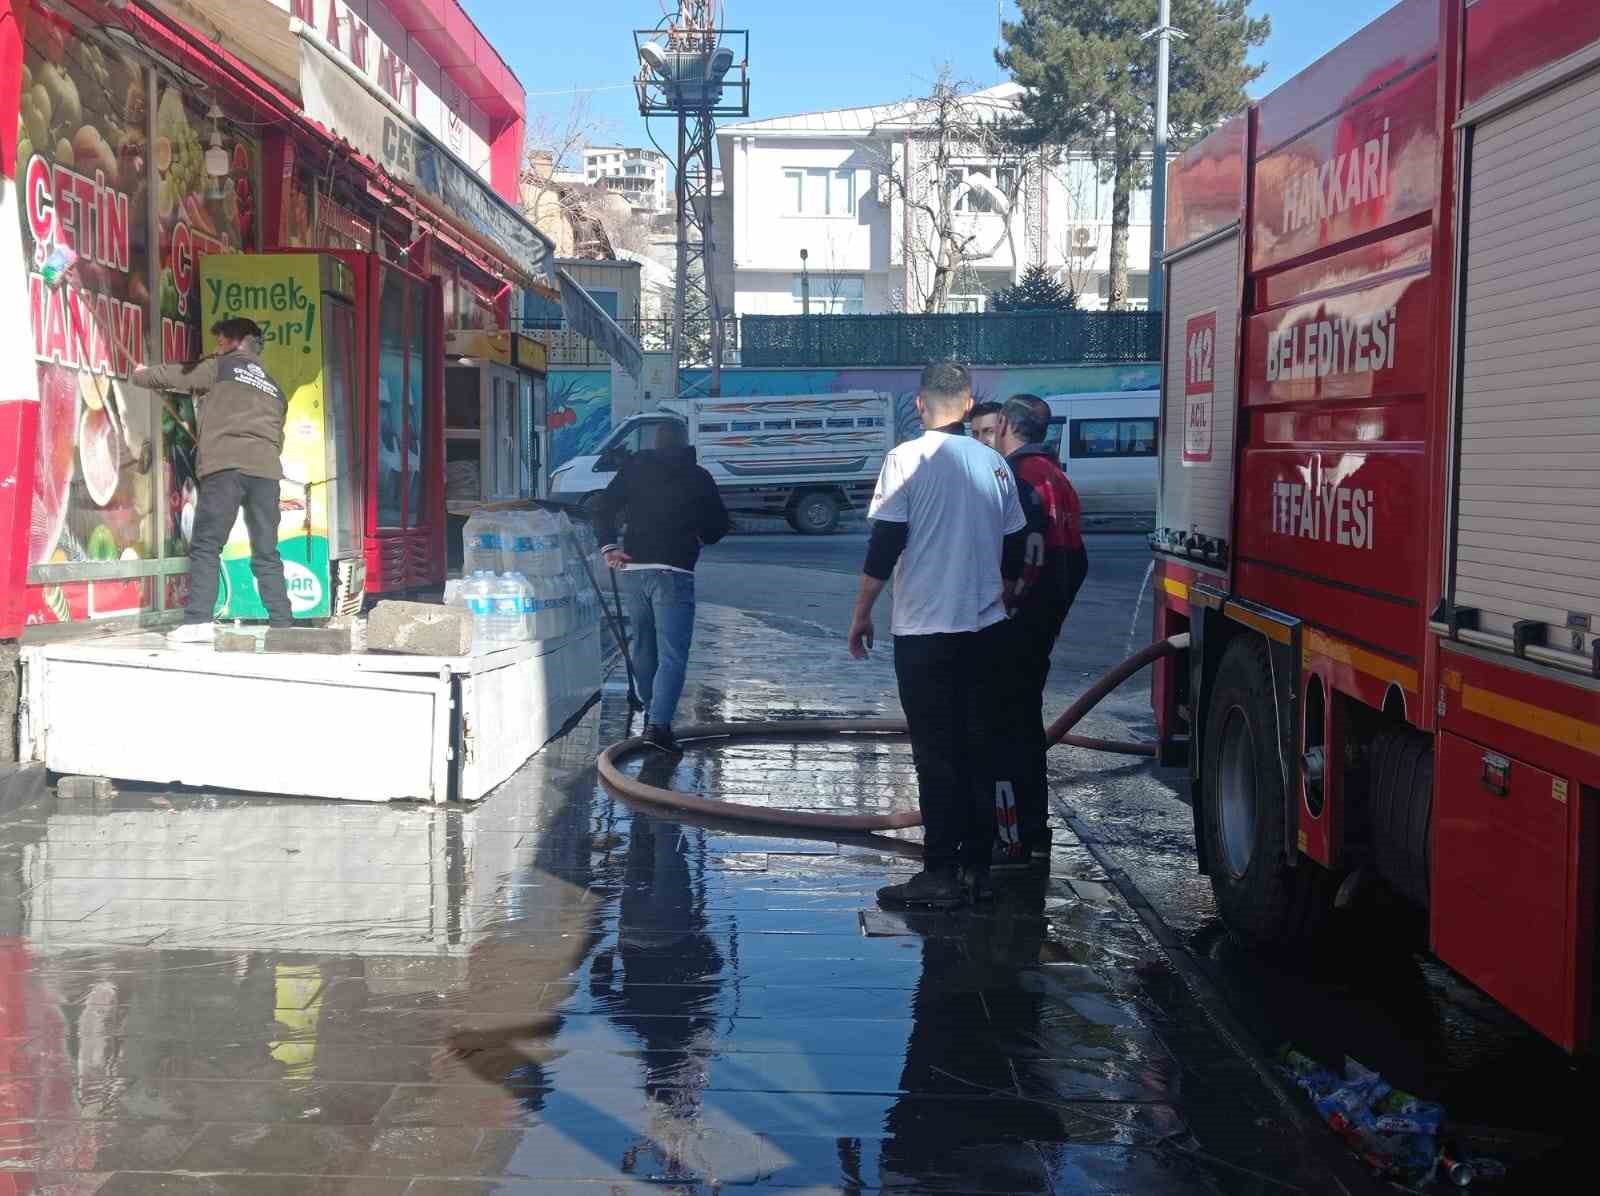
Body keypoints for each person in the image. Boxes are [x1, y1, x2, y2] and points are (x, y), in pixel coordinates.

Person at [849, 363, 1027, 908]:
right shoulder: (996, 464)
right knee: (979, 746)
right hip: (987, 630)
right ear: (970, 405)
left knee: (936, 753)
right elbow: (1015, 547)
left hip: (926, 631)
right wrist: (1001, 592)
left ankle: (940, 874)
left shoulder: (906, 459)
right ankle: (978, 867)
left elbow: (885, 546)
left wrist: (861, 614)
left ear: (921, 407)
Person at [132, 317, 292, 643]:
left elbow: (177, 375)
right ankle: (283, 624)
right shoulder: (275, 388)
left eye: (220, 341)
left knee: (206, 545)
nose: (217, 347)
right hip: (265, 473)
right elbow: (278, 438)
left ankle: (197, 623)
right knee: (266, 551)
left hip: (226, 469)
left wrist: (141, 375)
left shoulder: (221, 367)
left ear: (235, 342)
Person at [991, 394, 1089, 870]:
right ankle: (1034, 835)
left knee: (1002, 733)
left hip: (1015, 630)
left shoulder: (1016, 478)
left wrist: (1008, 608)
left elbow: (1023, 560)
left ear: (1006, 423)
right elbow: (1077, 560)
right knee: (1026, 730)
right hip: (1040, 628)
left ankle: (1010, 840)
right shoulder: (1059, 479)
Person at [594, 418, 730, 753]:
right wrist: (697, 532)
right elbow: (717, 528)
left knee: (644, 645)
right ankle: (658, 726)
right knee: (672, 654)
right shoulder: (698, 477)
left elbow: (603, 506)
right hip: (674, 572)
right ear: (686, 443)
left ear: (656, 442)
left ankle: (654, 712)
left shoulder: (635, 468)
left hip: (634, 568)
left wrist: (609, 546)